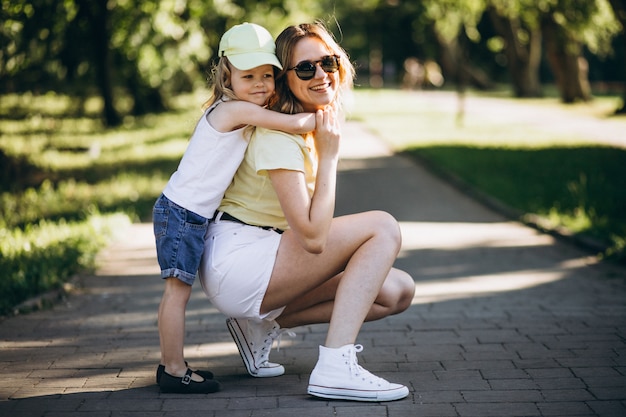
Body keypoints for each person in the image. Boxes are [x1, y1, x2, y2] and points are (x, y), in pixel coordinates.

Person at [198, 22, 415, 401]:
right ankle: (335, 364)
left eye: (327, 62)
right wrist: (330, 156)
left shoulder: (310, 122)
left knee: (396, 291)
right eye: (305, 68)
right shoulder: (278, 136)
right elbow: (314, 239)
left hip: (265, 255)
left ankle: (259, 327)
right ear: (284, 78)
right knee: (382, 228)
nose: (320, 74)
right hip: (239, 261)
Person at [153, 22, 316, 394]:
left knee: (177, 292)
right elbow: (286, 124)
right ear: (227, 77)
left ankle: (172, 364)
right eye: (249, 76)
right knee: (176, 293)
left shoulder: (238, 108)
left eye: (268, 75)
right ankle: (173, 369)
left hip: (190, 214)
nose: (260, 84)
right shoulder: (233, 110)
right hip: (182, 213)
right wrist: (317, 119)